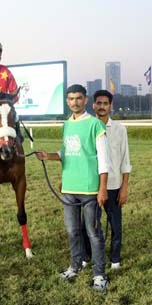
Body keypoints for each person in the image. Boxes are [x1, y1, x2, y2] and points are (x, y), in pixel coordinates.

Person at [35, 84, 109, 292]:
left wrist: (102, 188)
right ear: (67, 102)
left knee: (93, 233)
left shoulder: (95, 124)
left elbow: (104, 160)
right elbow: (66, 151)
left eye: (78, 98)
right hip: (69, 189)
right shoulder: (66, 125)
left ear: (85, 100)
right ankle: (75, 266)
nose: (74, 102)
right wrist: (48, 156)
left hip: (89, 190)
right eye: (70, 99)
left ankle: (99, 275)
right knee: (72, 231)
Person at [82, 90, 132, 269]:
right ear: (93, 105)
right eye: (98, 103)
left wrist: (124, 187)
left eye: (105, 103)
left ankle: (115, 260)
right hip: (91, 186)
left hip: (113, 186)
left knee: (116, 226)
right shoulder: (87, 126)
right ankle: (86, 258)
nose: (102, 106)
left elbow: (125, 160)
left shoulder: (119, 129)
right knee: (88, 226)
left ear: (110, 106)